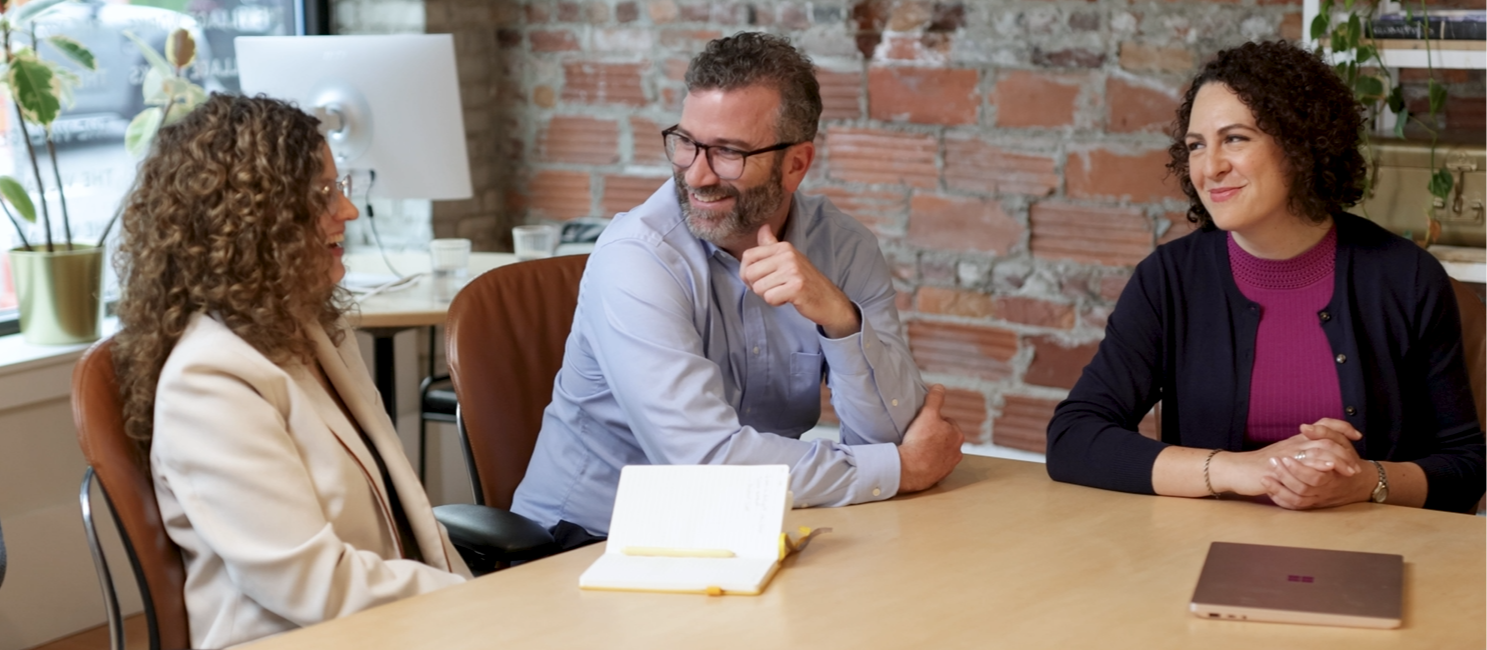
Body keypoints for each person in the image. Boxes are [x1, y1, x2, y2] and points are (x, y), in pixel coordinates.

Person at [511, 32, 964, 543]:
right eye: (686, 143)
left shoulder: (844, 247)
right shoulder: (636, 258)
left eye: (728, 152)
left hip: (745, 532)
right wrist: (901, 469)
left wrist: (841, 320)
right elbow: (704, 463)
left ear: (795, 165)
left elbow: (895, 435)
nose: (696, 175)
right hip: (589, 541)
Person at [1045, 40, 1487, 513]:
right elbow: (1074, 437)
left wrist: (1365, 481)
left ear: (1301, 143)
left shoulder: (1407, 278)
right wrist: (1241, 469)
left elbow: (1466, 467)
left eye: (1235, 139)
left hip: (1368, 546)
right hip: (1204, 545)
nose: (1210, 167)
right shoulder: (1169, 279)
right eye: (1196, 146)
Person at [112, 94, 470, 648]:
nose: (347, 211)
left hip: (380, 625)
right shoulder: (207, 381)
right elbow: (311, 584)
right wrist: (473, 600)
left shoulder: (310, 329)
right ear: (253, 218)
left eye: (339, 187)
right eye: (323, 194)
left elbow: (405, 527)